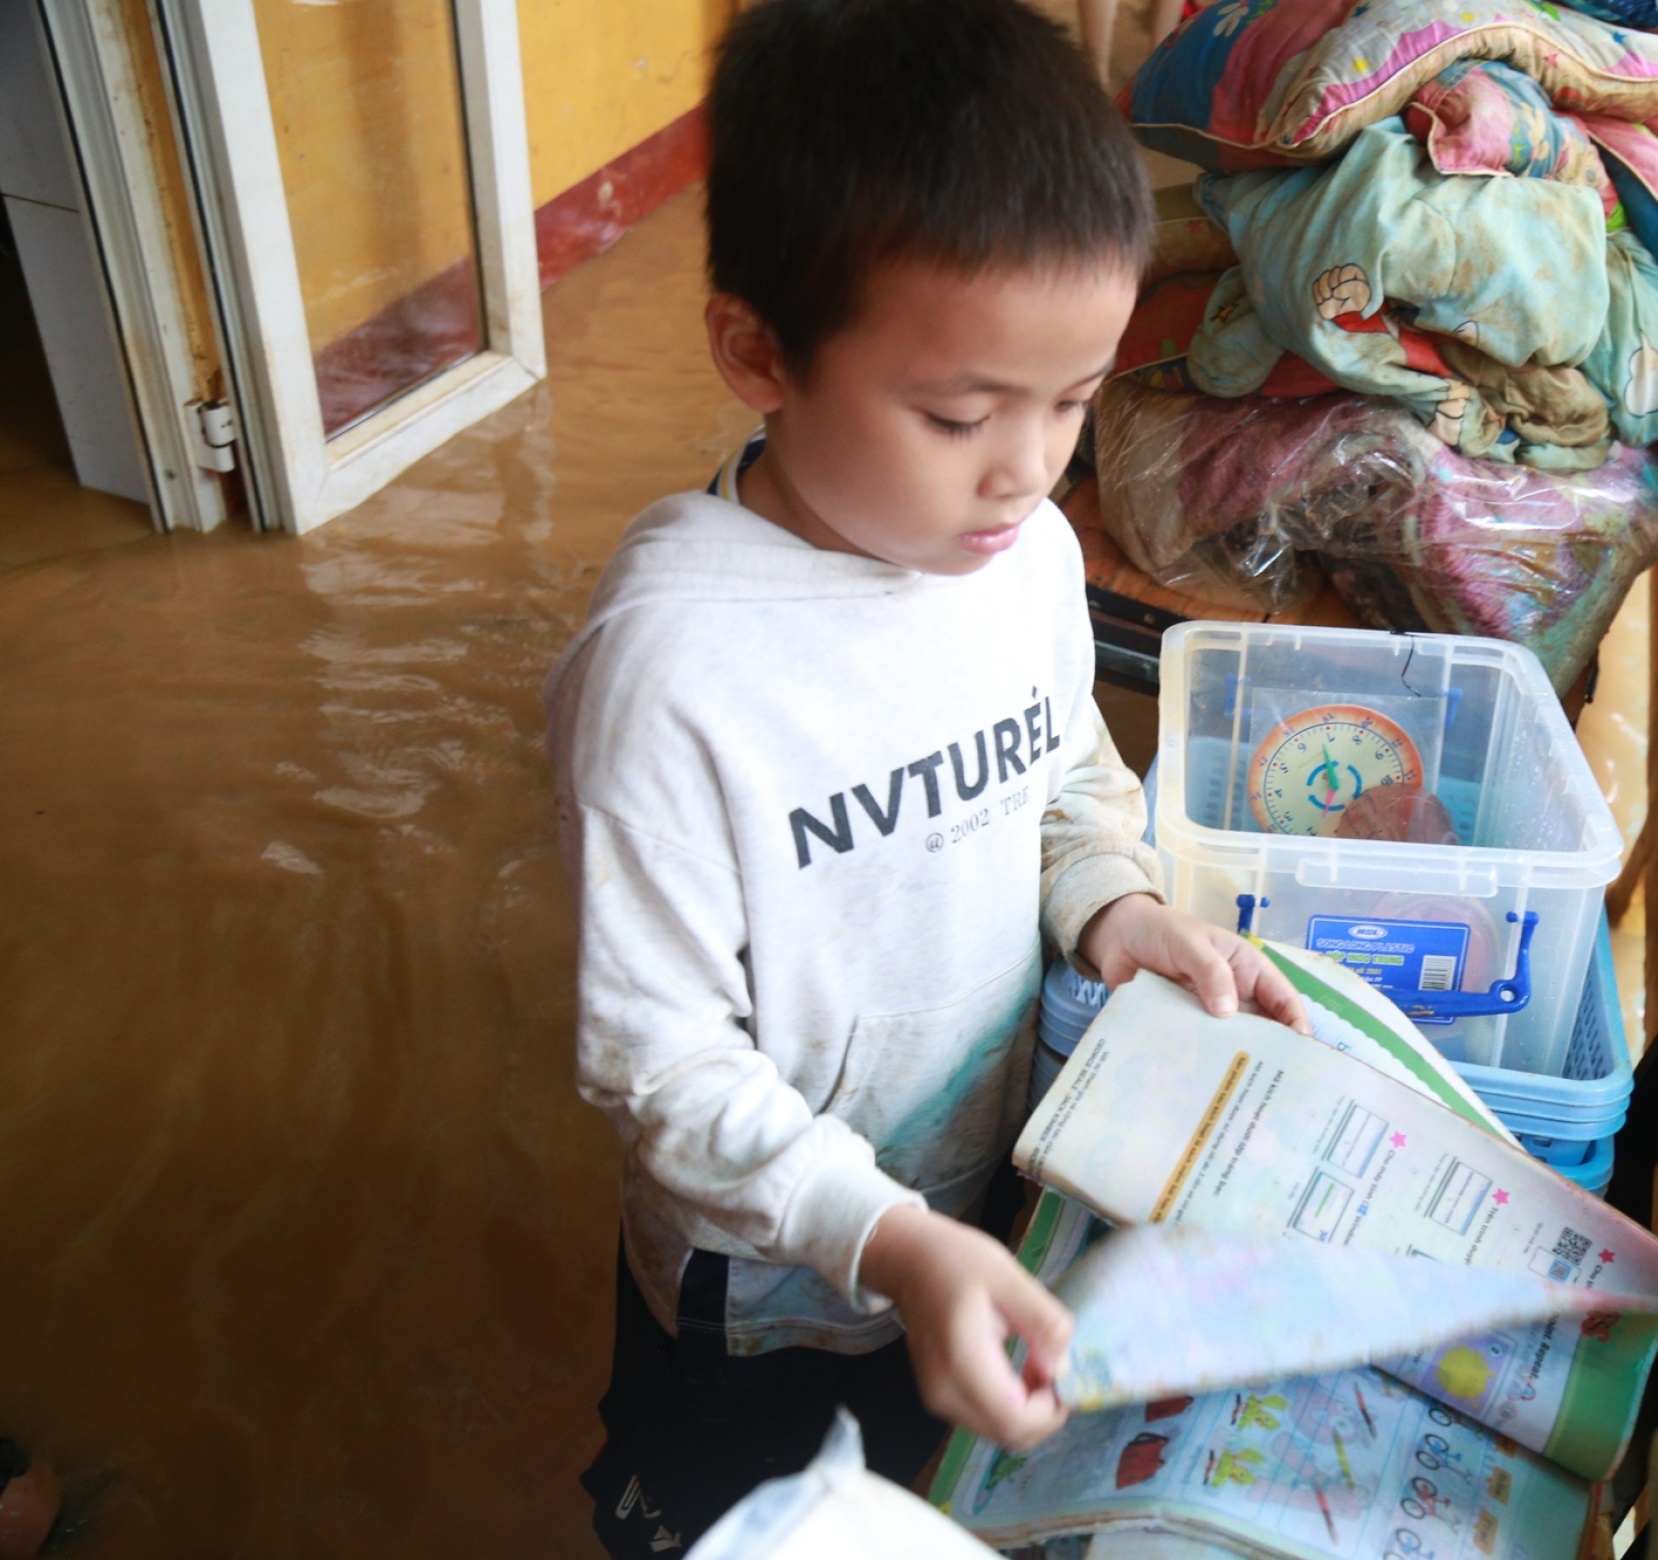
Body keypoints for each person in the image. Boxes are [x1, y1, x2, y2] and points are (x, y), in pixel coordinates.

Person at [541, 0, 1309, 1553]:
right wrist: (881, 1242)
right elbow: (658, 1062)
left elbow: (1058, 765)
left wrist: (1113, 902)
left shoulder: (1013, 551)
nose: (1029, 471)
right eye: (961, 412)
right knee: (727, 1518)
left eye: (1075, 400)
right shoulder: (677, 675)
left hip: (970, 1194)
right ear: (757, 350)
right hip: (763, 1287)